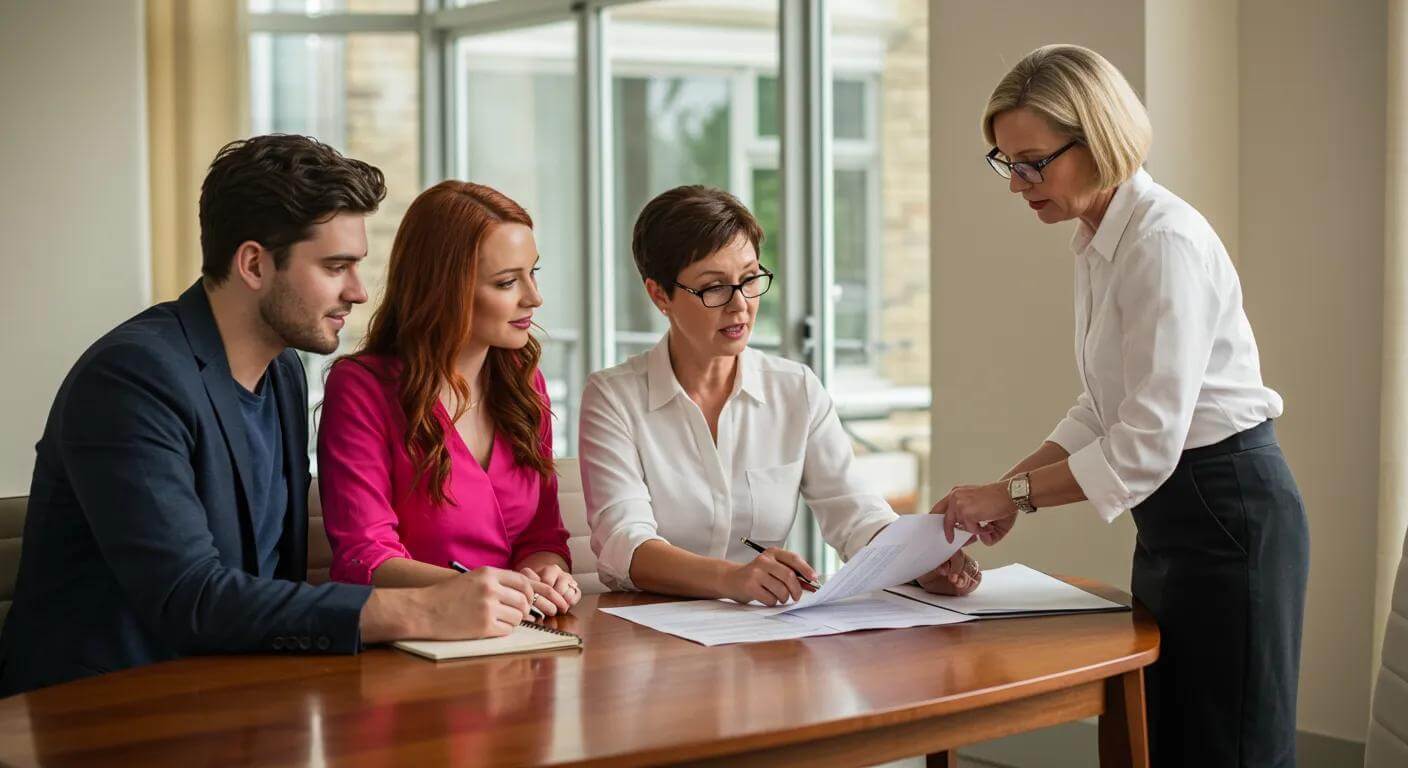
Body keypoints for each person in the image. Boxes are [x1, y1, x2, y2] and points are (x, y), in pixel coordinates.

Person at [0, 135, 536, 696]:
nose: (357, 292)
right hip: (102, 710)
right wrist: (422, 611)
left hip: (231, 697)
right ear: (254, 264)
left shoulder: (282, 374)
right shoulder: (132, 378)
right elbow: (190, 597)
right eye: (336, 267)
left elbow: (270, 581)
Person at [933, 45, 1309, 767]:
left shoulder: (1161, 243)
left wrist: (1010, 493)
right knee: (1167, 740)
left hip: (1229, 512)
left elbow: (1141, 444)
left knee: (1228, 749)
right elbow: (1102, 409)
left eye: (1032, 161)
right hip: (1177, 518)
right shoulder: (1099, 238)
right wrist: (1004, 494)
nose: (1017, 183)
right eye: (1005, 162)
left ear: (1097, 138)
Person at [579, 185, 978, 606]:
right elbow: (625, 544)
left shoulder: (795, 389)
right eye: (714, 288)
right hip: (646, 638)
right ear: (660, 294)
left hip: (760, 636)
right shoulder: (613, 397)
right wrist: (732, 579)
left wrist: (919, 563)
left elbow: (855, 514)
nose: (741, 306)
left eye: (750, 279)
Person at [317, 181, 578, 617]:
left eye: (533, 273)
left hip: (522, 638)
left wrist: (547, 571)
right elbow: (364, 557)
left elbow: (541, 536)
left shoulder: (524, 383)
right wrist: (476, 589)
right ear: (444, 288)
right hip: (416, 645)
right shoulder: (362, 389)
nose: (534, 298)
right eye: (507, 281)